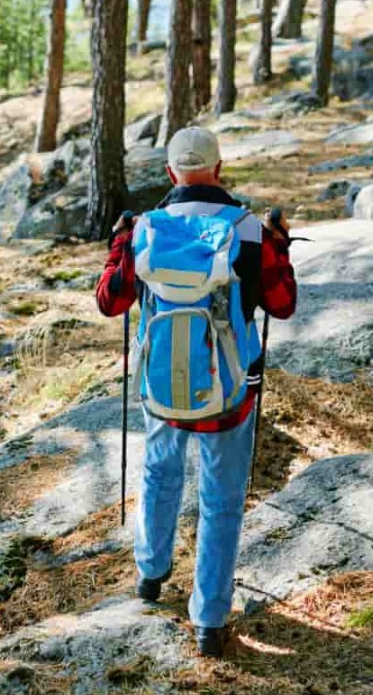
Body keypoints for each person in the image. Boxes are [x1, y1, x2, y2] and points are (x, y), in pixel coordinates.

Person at [95, 125, 297, 657]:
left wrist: (119, 244)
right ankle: (209, 620)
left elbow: (110, 302)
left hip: (161, 385)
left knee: (159, 470)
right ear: (219, 168)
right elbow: (281, 304)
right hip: (229, 389)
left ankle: (150, 573)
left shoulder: (146, 228)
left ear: (169, 173)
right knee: (222, 499)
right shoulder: (247, 229)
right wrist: (280, 246)